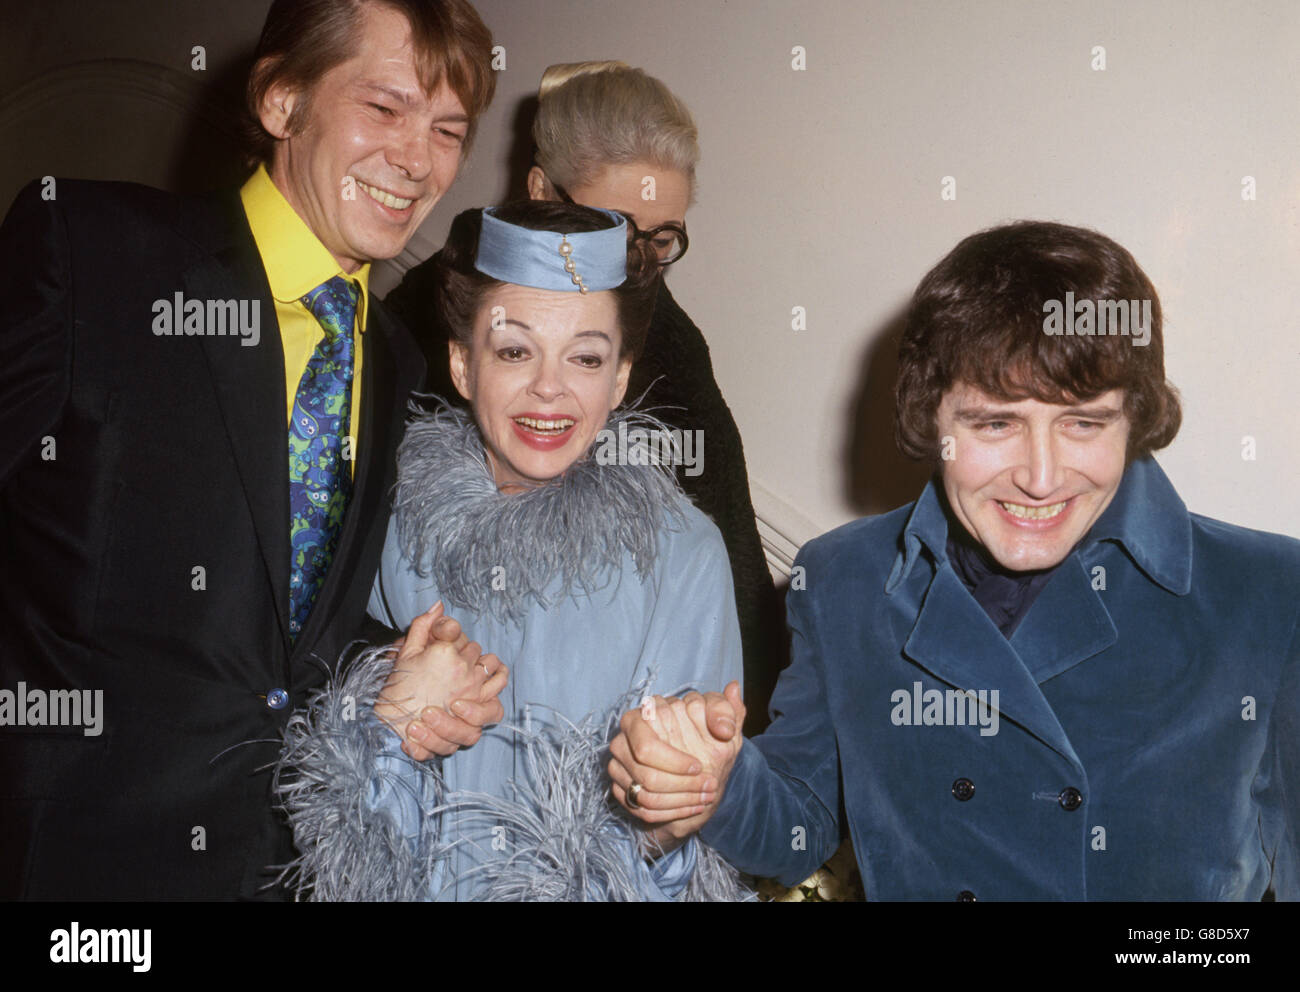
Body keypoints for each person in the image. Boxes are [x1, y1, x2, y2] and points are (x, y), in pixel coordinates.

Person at [608, 220, 1300, 900]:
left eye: (1083, 423)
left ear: (1136, 417)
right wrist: (717, 786)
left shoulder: (1268, 596)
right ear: (929, 416)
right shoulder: (844, 581)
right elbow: (799, 831)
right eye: (995, 423)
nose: (1040, 475)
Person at [0, 0, 496, 899]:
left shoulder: (394, 355)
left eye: (449, 130)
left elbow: (278, 616)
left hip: (270, 871)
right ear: (281, 99)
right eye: (384, 109)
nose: (419, 161)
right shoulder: (90, 250)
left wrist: (393, 668)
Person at [275, 200, 748, 900]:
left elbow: (659, 856)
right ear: (464, 365)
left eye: (586, 356)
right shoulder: (389, 518)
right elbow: (317, 796)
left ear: (619, 379)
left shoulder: (683, 557)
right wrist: (390, 724)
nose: (550, 387)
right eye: (515, 350)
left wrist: (670, 808)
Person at [384, 61, 783, 734]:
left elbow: (735, 603)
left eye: (664, 240)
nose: (640, 268)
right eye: (617, 229)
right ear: (540, 190)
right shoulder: (424, 312)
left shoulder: (675, 356)